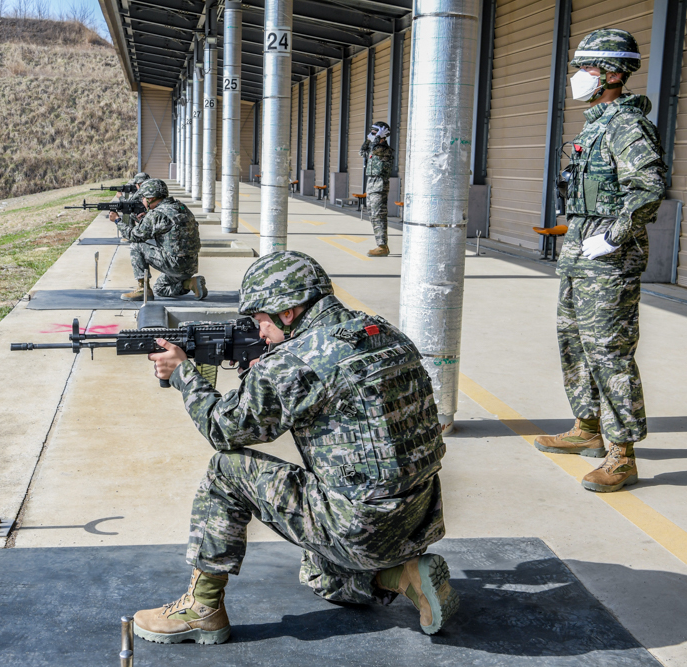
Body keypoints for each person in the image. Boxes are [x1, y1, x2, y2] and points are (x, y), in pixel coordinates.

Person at [134, 251, 459, 645]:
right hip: (417, 518)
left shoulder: (295, 361)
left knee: (226, 468)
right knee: (319, 573)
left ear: (288, 312)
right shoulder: (382, 331)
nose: (259, 330)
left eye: (261, 319)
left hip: (359, 527)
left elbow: (223, 429)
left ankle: (202, 609)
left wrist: (184, 374)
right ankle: (403, 575)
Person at [534, 29, 666, 493]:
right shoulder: (598, 122)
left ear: (613, 73)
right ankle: (586, 428)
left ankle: (622, 454)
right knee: (573, 342)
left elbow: (647, 186)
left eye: (587, 68)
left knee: (609, 352)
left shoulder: (628, 126)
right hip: (580, 255)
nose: (578, 77)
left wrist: (614, 235)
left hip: (608, 258)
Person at [118, 179, 206, 301]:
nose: (142, 200)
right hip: (190, 265)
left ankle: (142, 288)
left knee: (136, 246)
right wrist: (144, 220)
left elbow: (134, 236)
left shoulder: (156, 215)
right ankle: (190, 283)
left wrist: (118, 221)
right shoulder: (180, 207)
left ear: (150, 198)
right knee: (160, 288)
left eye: (143, 197)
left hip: (175, 265)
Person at [359, 121, 394, 257]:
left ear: (382, 134)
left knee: (379, 214)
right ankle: (380, 244)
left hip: (379, 183)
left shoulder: (384, 149)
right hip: (371, 182)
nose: (372, 134)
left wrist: (377, 139)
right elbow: (362, 152)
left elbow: (375, 150)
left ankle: (382, 246)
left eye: (375, 131)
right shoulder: (373, 146)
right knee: (373, 214)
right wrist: (368, 140)